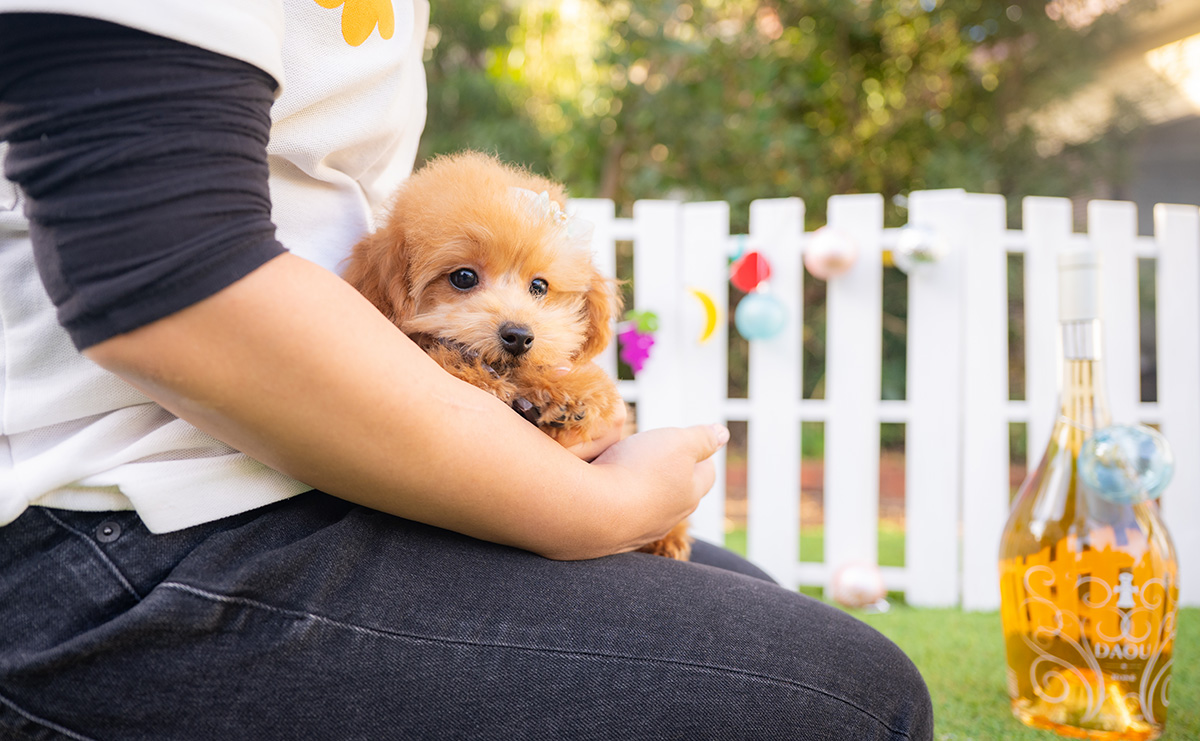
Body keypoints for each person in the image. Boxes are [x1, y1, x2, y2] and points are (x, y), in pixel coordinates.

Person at [0, 4, 934, 739]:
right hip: (108, 526)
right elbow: (164, 276)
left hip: (285, 468)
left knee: (755, 596)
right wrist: (589, 510)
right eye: (466, 278)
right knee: (855, 703)